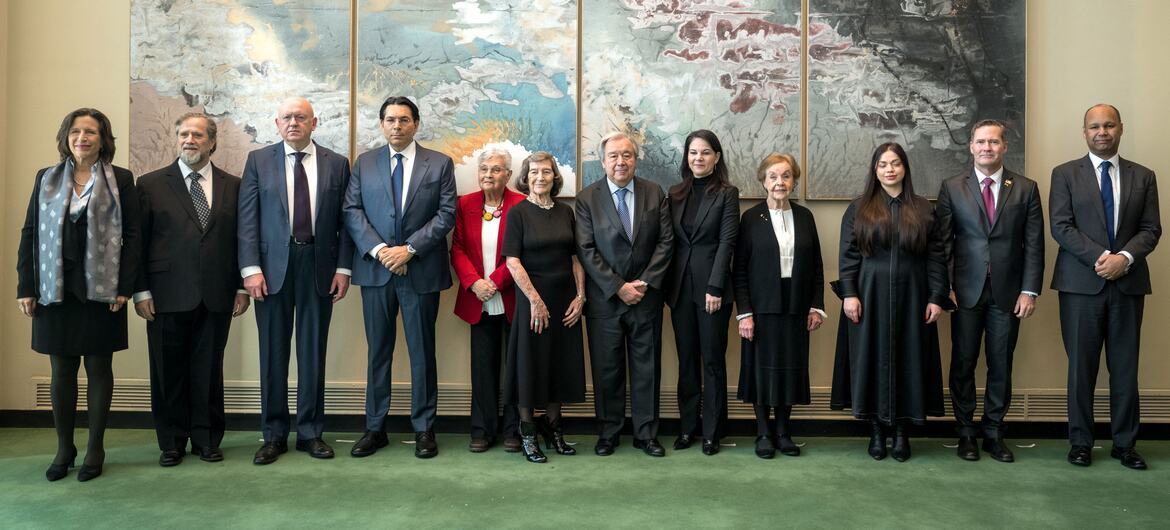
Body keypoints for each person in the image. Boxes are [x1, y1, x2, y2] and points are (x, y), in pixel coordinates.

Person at [17, 108, 140, 482]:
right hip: (55, 289)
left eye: (91, 132)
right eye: (75, 131)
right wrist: (26, 286)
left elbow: (133, 237)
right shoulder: (47, 178)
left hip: (102, 290)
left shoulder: (121, 179)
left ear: (103, 139)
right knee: (61, 371)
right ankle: (64, 447)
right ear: (66, 137)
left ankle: (94, 448)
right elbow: (30, 233)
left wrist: (124, 287)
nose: (82, 137)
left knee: (100, 369)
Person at [238, 97, 353, 465]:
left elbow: (346, 221)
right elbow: (247, 219)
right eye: (287, 117)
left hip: (319, 265)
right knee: (272, 352)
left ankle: (310, 433)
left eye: (300, 117)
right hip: (271, 269)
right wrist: (250, 269)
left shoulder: (337, 164)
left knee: (312, 350)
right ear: (276, 123)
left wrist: (344, 268)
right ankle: (273, 434)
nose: (293, 122)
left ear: (314, 122)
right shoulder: (258, 161)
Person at [344, 96, 457, 459]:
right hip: (377, 273)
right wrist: (381, 252)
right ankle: (375, 428)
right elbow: (352, 210)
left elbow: (446, 214)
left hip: (420, 271)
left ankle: (424, 429)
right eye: (390, 120)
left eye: (404, 120)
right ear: (381, 124)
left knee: (422, 352)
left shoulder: (439, 163)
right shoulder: (364, 163)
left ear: (416, 124)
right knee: (379, 351)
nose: (397, 126)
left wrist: (408, 250)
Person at [135, 112, 250, 467]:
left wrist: (241, 286)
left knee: (208, 369)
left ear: (212, 142)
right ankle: (171, 442)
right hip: (165, 294)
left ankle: (206, 439)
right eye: (184, 134)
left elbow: (240, 241)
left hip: (217, 292)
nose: (190, 140)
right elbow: (137, 242)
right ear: (176, 138)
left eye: (198, 135)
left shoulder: (234, 185)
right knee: (167, 371)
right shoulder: (151, 183)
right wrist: (141, 291)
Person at [1050, 104, 1161, 470]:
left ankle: (1125, 444)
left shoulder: (1143, 176)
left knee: (1125, 368)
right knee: (1081, 369)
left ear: (1120, 129)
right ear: (1084, 132)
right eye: (1094, 126)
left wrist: (1124, 259)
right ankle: (1081, 443)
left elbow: (1151, 229)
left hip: (1127, 286)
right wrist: (1102, 257)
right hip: (1081, 286)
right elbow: (1061, 226)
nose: (1102, 131)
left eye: (1109, 125)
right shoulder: (1065, 174)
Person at [829, 142, 950, 462]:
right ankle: (876, 430)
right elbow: (848, 255)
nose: (890, 169)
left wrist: (937, 297)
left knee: (910, 359)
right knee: (871, 358)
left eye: (895, 163)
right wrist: (850, 294)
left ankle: (901, 432)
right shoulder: (859, 208)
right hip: (868, 295)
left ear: (905, 168)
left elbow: (936, 256)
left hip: (914, 295)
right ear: (875, 169)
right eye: (883, 164)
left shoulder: (924, 207)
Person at [934, 119, 1044, 463]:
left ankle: (994, 432)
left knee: (1001, 363)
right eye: (981, 142)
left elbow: (1035, 245)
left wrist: (1030, 291)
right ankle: (966, 433)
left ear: (1004, 146)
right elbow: (943, 244)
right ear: (970, 146)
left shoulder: (1025, 188)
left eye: (993, 142)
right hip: (964, 292)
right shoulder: (952, 187)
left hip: (1008, 294)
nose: (987, 148)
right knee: (963, 363)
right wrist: (945, 287)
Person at [576, 132, 673, 457]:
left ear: (636, 159)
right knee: (608, 369)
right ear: (603, 161)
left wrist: (643, 283)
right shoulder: (587, 197)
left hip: (646, 298)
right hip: (606, 300)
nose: (621, 161)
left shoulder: (654, 192)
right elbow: (586, 249)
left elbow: (665, 243)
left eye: (627, 155)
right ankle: (608, 433)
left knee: (648, 368)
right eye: (614, 156)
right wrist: (618, 286)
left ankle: (647, 435)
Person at [734, 154, 825, 459]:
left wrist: (816, 306)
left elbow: (816, 267)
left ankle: (784, 432)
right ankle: (762, 433)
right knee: (761, 371)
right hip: (761, 307)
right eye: (773, 176)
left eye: (786, 176)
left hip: (796, 305)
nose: (780, 183)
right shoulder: (750, 218)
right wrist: (744, 313)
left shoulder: (805, 217)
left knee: (790, 369)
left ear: (793, 180)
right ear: (763, 181)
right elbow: (740, 270)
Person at [502, 152, 587, 463]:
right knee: (529, 365)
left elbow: (575, 258)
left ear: (555, 177)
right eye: (534, 172)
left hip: (565, 299)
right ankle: (528, 435)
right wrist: (535, 301)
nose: (540, 177)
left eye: (546, 172)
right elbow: (512, 261)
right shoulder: (518, 213)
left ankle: (554, 431)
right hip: (532, 301)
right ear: (526, 176)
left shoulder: (566, 212)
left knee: (559, 365)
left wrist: (580, 297)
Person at [664, 130, 739, 455]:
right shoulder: (675, 193)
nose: (698, 158)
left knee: (712, 361)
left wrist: (715, 286)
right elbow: (669, 243)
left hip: (713, 291)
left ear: (717, 157)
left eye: (705, 152)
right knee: (686, 362)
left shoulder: (727, 193)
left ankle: (712, 432)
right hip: (680, 290)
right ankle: (687, 428)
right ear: (687, 156)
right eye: (693, 152)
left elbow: (727, 243)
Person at [450, 148, 524, 453]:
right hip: (477, 298)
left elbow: (523, 251)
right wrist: (474, 283)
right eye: (484, 169)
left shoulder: (521, 204)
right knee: (482, 368)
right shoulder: (465, 204)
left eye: (496, 170)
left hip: (511, 298)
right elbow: (457, 249)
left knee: (515, 368)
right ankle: (481, 430)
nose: (488, 175)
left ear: (508, 174)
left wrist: (495, 281)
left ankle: (513, 430)